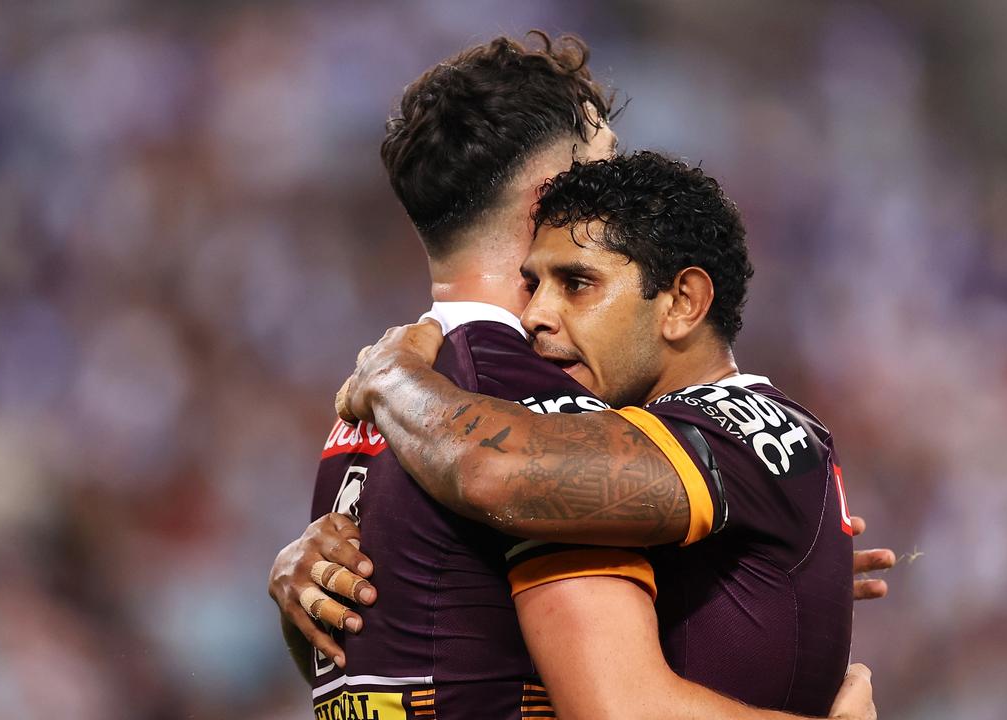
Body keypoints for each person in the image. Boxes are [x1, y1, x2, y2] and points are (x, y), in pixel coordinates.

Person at [266, 33, 893, 720]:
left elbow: (385, 652)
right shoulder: (528, 408)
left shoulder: (371, 408)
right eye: (605, 165)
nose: (620, 186)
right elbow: (619, 708)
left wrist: (764, 578)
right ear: (550, 200)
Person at [335, 151, 858, 717]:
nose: (536, 313)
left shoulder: (745, 423)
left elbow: (495, 471)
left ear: (682, 303)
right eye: (533, 284)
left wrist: (394, 377)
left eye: (577, 283)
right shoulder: (679, 440)